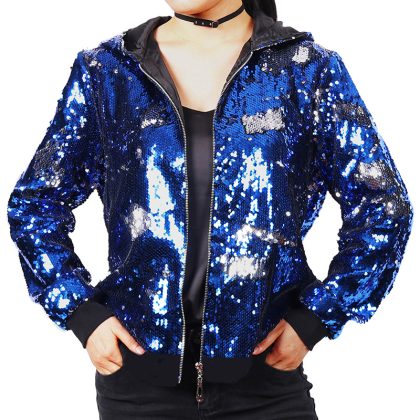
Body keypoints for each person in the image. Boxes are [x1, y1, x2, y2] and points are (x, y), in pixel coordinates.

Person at [7, 0, 413, 418]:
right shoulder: (109, 71)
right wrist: (80, 311)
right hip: (138, 384)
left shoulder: (306, 69)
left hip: (265, 384)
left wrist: (317, 318)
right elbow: (36, 204)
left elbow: (385, 208)